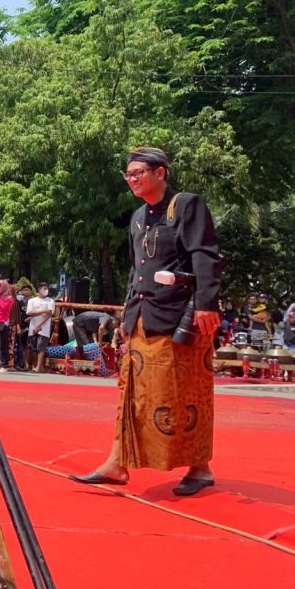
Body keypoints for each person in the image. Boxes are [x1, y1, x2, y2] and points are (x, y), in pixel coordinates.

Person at [71, 147, 221, 496]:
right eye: (128, 174)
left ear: (161, 172)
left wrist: (206, 303)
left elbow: (206, 256)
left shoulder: (185, 205)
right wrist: (127, 311)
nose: (132, 179)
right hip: (142, 315)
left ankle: (200, 467)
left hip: (181, 316)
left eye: (139, 172)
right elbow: (137, 269)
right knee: (131, 392)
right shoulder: (138, 216)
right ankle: (116, 462)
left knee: (187, 394)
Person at [25, 282, 55, 373]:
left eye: (47, 288)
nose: (45, 290)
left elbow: (49, 314)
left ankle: (38, 367)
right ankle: (36, 366)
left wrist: (39, 325)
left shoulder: (50, 301)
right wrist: (44, 310)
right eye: (43, 288)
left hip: (44, 328)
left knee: (41, 347)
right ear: (39, 289)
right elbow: (29, 312)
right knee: (33, 347)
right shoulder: (32, 301)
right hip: (33, 327)